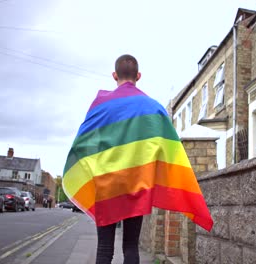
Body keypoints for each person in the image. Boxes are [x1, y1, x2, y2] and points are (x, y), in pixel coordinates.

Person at [62, 55, 213, 264]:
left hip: (107, 186)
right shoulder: (152, 108)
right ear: (138, 76)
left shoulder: (100, 105)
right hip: (137, 185)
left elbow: (84, 143)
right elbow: (169, 147)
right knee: (131, 246)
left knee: (104, 248)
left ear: (114, 75)